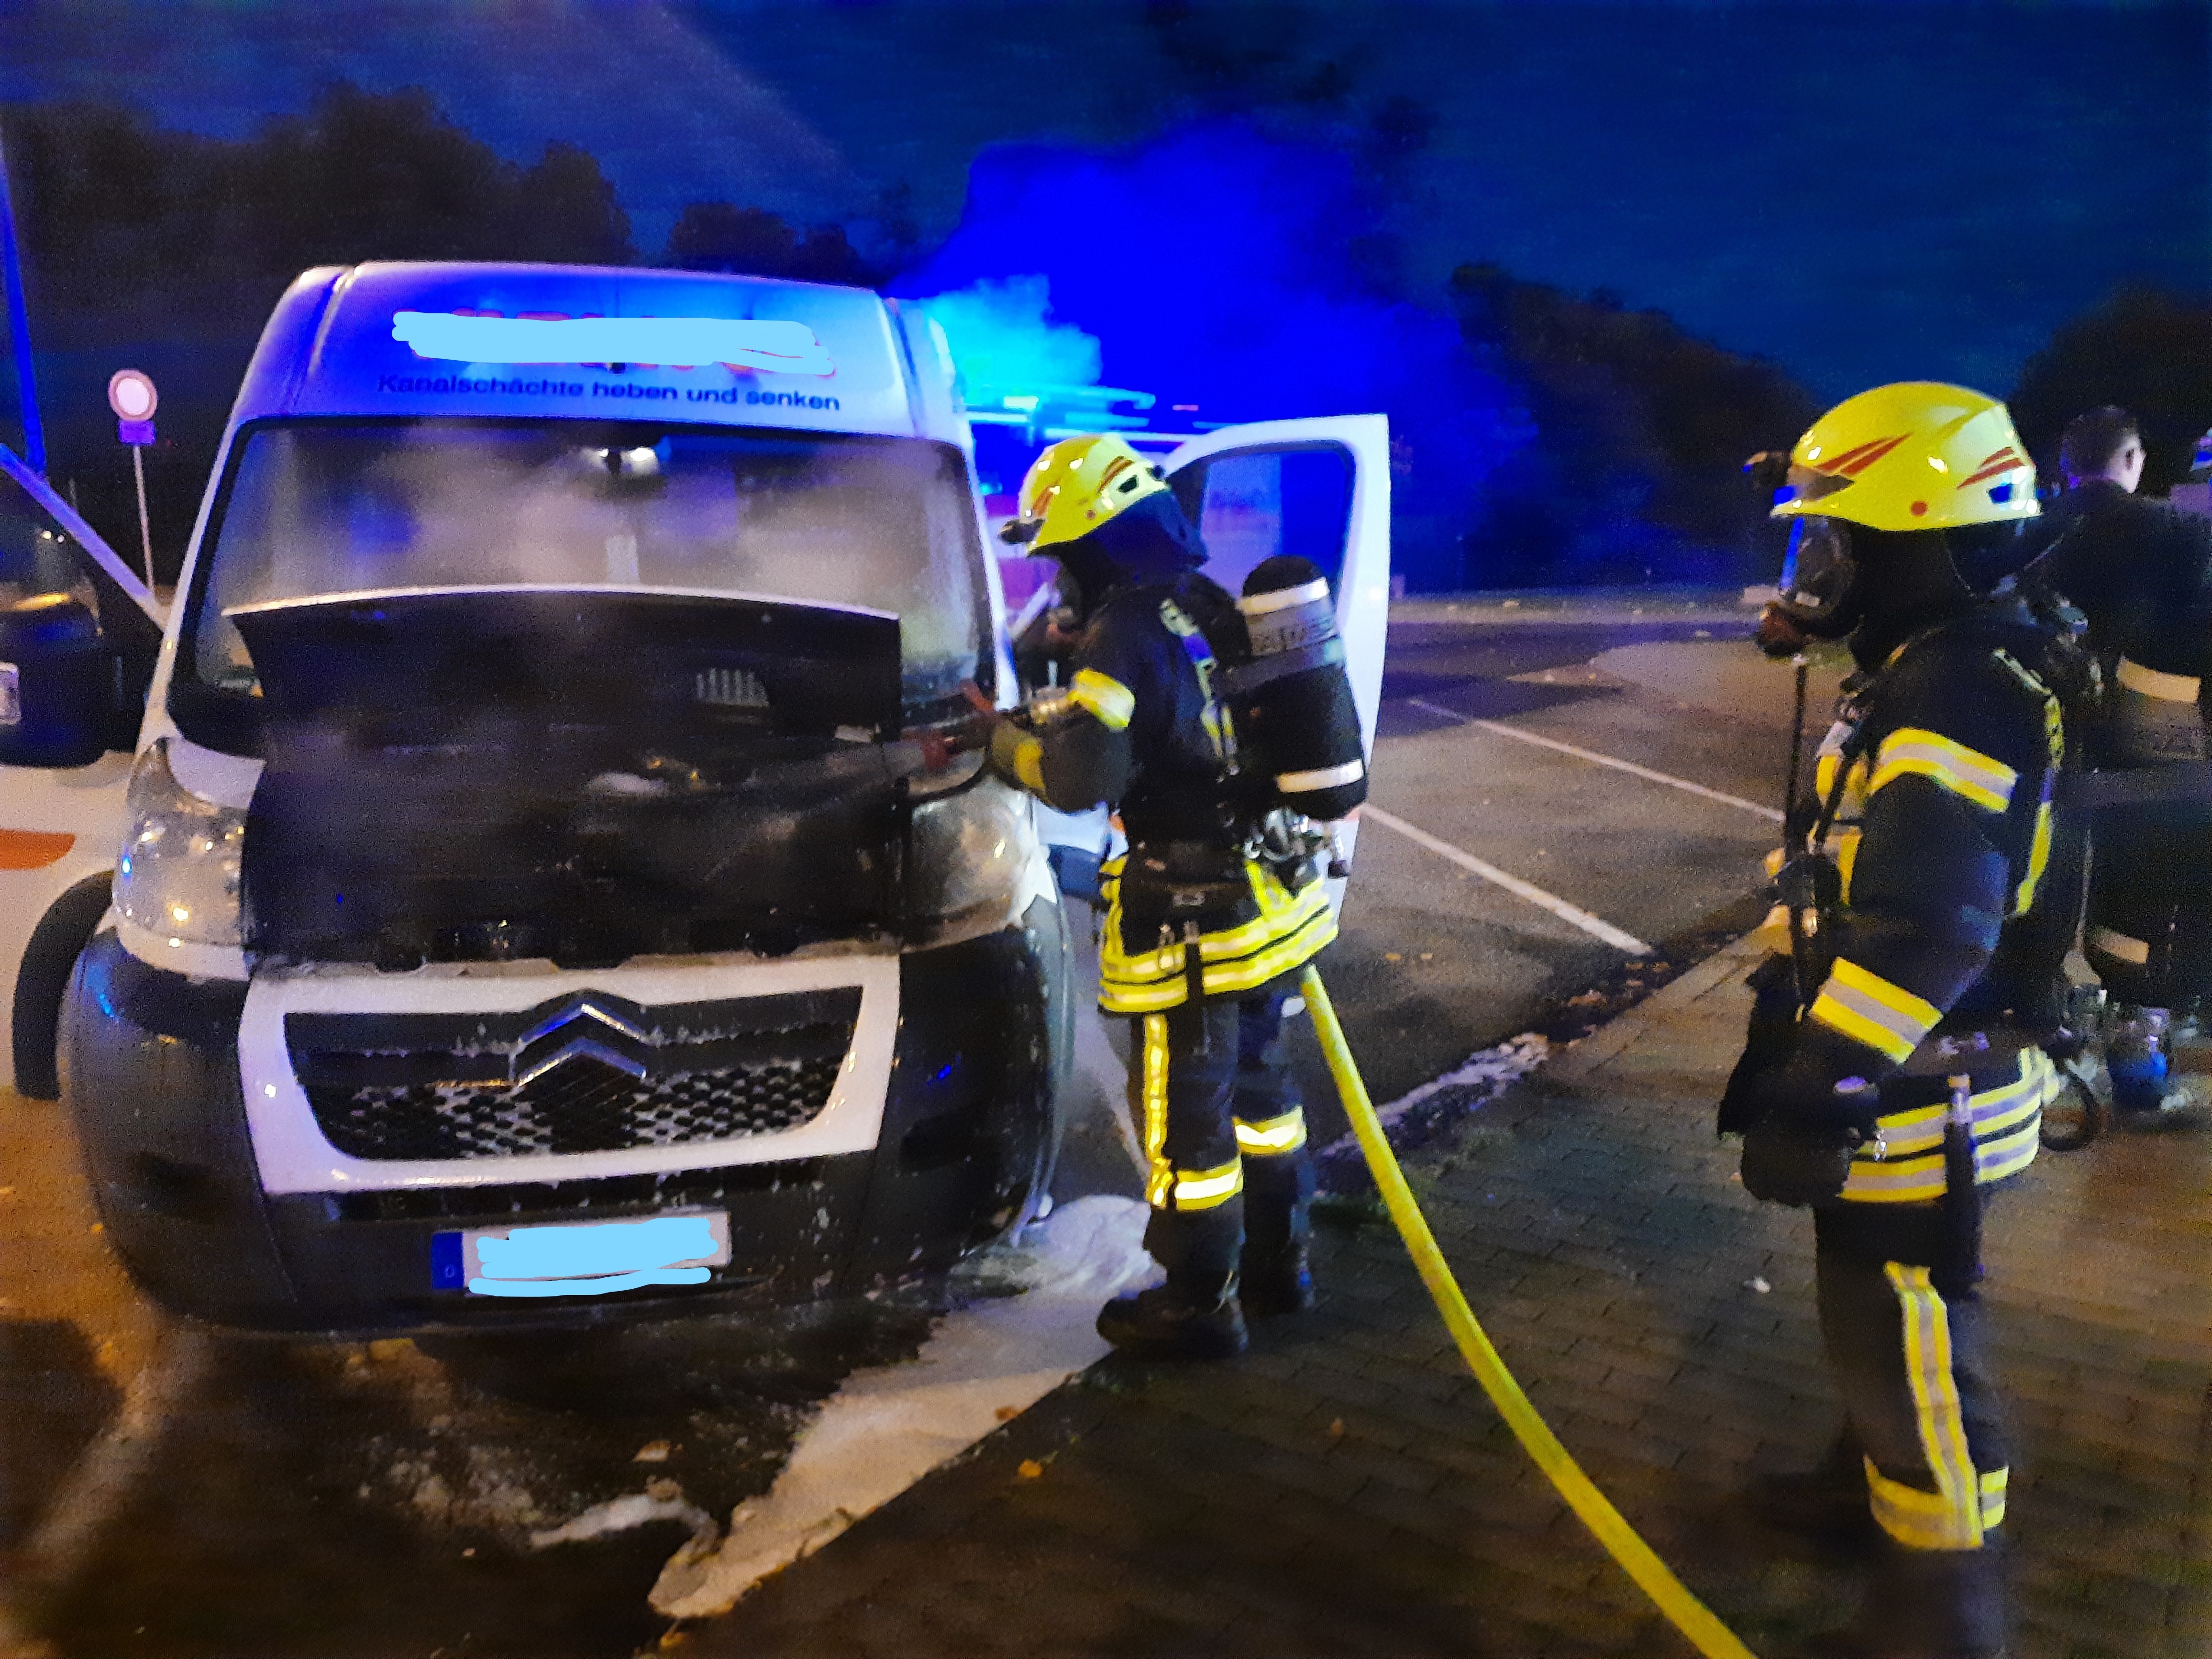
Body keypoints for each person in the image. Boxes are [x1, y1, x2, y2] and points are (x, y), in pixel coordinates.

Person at [1725, 383, 2082, 1658]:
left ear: (1918, 536)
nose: (1814, 567)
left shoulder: (1952, 690)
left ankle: (1945, 1601)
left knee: (1912, 1326)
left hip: (1915, 1083)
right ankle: (1868, 1480)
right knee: (1871, 1312)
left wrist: (1822, 1081)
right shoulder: (1944, 660)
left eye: (1837, 540)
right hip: (1913, 1069)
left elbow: (1935, 927)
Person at [985, 433, 1357, 1360]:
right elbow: (1188, 725)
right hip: (1267, 902)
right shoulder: (1203, 604)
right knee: (1264, 1096)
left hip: (1191, 922)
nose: (1058, 576)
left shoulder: (1120, 633)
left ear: (1097, 542)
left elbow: (1078, 778)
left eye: (1062, 554)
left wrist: (1000, 744)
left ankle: (1198, 1303)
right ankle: (1280, 1267)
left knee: (1186, 1116)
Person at [2017, 406, 2212, 1119]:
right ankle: (2138, 1050)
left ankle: (2042, 1029)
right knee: (2153, 902)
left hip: (2042, 763)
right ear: (2132, 460)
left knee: (2041, 900)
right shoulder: (2181, 536)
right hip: (2155, 768)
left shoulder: (2029, 531)